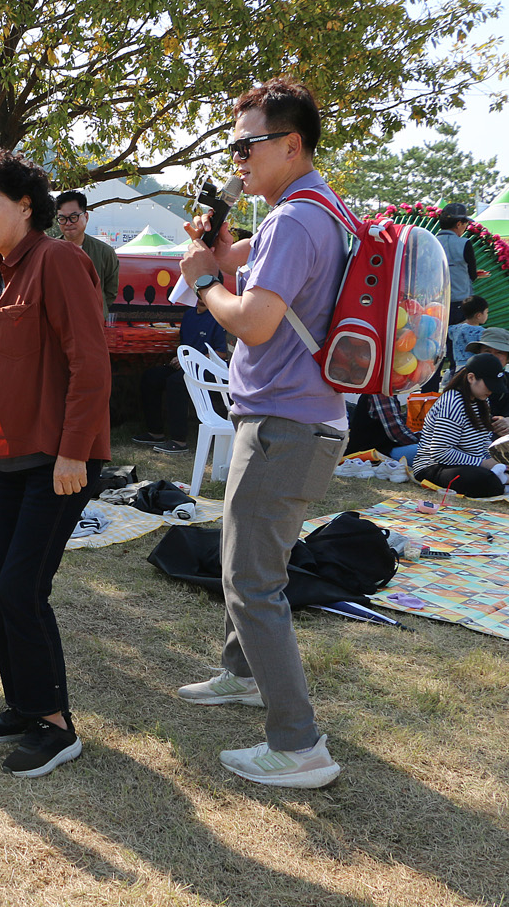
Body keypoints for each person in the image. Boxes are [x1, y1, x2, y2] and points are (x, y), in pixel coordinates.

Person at [174, 77, 347, 789]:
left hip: (284, 422)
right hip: (300, 419)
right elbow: (246, 261)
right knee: (246, 563)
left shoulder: (294, 220)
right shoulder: (320, 210)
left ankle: (298, 745)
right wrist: (219, 253)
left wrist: (202, 282)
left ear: (291, 144)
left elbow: (252, 320)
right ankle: (240, 674)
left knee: (252, 581)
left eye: (248, 144)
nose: (238, 157)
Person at [0, 147, 110, 778]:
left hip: (55, 459)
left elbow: (90, 363)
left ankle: (55, 725)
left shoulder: (58, 260)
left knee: (21, 587)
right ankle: (22, 706)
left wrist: (74, 449)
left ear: (24, 205)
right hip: (1, 456)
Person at [412, 354, 509, 496]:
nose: (491, 390)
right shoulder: (453, 403)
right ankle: (504, 483)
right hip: (435, 466)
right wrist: (484, 463)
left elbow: (483, 441)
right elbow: (440, 452)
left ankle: (503, 479)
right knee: (480, 479)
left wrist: (495, 459)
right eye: (489, 384)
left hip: (474, 462)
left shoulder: (482, 401)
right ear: (471, 378)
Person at [132, 302, 229, 452]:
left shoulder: (219, 316)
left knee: (176, 382)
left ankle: (179, 441)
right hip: (186, 364)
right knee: (151, 377)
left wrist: (192, 359)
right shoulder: (189, 314)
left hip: (207, 368)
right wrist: (181, 358)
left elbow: (222, 354)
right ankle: (155, 432)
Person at [54, 190, 120, 314]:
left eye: (73, 217)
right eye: (62, 218)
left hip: (93, 322)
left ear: (86, 216)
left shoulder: (105, 252)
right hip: (58, 323)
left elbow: (110, 293)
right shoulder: (49, 252)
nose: (68, 223)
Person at [465, 327, 509, 429]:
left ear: (508, 358)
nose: (492, 357)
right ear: (479, 354)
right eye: (487, 351)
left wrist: (507, 422)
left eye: (499, 352)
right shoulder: (466, 378)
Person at [436, 202, 478, 323]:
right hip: (460, 303)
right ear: (459, 224)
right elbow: (472, 275)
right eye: (465, 224)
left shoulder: (431, 242)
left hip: (435, 303)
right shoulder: (464, 243)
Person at [445, 295, 488, 375]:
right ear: (479, 315)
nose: (487, 315)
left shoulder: (455, 329)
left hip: (458, 367)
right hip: (475, 367)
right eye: (486, 312)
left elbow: (447, 331)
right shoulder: (482, 332)